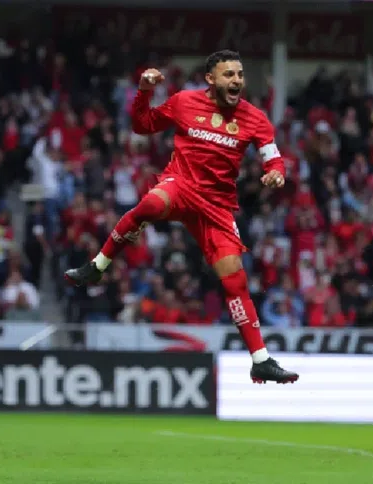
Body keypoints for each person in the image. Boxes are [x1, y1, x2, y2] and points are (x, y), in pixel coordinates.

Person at [64, 50, 298, 384]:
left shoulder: (255, 118)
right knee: (149, 205)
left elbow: (272, 157)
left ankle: (260, 359)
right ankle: (97, 267)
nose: (236, 80)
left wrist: (276, 173)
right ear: (210, 79)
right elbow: (142, 125)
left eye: (239, 74)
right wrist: (144, 91)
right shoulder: (184, 101)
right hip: (181, 185)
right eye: (229, 74)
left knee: (234, 280)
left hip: (217, 206)